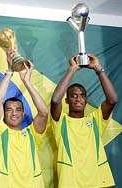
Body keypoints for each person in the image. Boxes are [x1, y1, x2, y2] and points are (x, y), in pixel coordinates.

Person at [50, 54, 118, 188]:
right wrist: (72, 69)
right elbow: (55, 100)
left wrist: (98, 69)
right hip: (70, 182)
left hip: (99, 181)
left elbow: (113, 100)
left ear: (86, 100)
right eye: (73, 96)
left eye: (82, 96)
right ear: (67, 100)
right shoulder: (60, 121)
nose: (78, 99)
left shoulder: (95, 120)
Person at [0, 49, 48, 188]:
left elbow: (44, 113)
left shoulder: (32, 134)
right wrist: (10, 71)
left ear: (23, 114)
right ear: (4, 114)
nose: (14, 113)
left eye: (18, 110)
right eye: (9, 110)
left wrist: (26, 81)